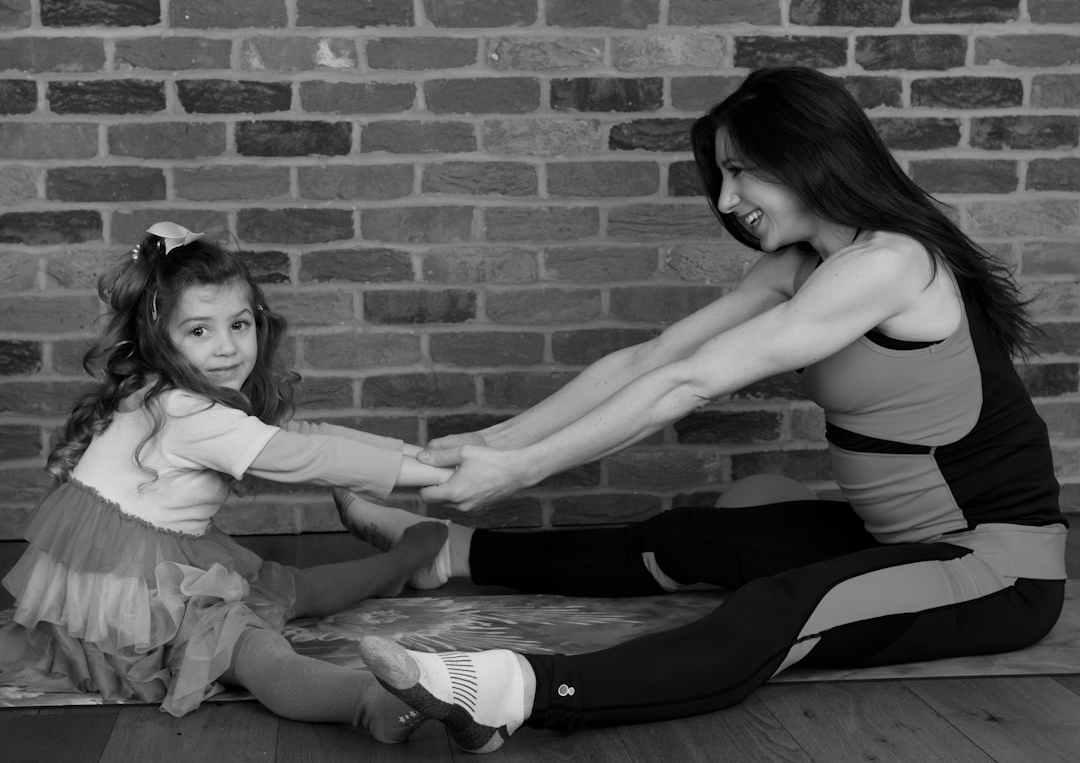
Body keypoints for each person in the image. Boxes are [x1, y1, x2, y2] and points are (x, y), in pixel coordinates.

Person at [332, 66, 1066, 753]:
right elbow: (651, 361)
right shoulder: (802, 262)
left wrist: (520, 468)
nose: (724, 200)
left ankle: (510, 693)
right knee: (688, 538)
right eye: (722, 175)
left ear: (809, 155)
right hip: (890, 535)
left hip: (994, 565)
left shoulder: (891, 263)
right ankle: (446, 553)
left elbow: (690, 387)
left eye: (741, 170)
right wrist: (489, 442)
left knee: (779, 607)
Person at [0, 222, 453, 743]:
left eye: (239, 325)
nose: (227, 348)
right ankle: (368, 701)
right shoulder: (186, 411)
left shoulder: (165, 389)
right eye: (198, 331)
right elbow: (309, 456)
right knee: (255, 650)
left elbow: (307, 436)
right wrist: (436, 474)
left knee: (280, 589)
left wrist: (422, 458)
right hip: (137, 596)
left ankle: (401, 563)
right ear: (159, 341)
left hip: (131, 568)